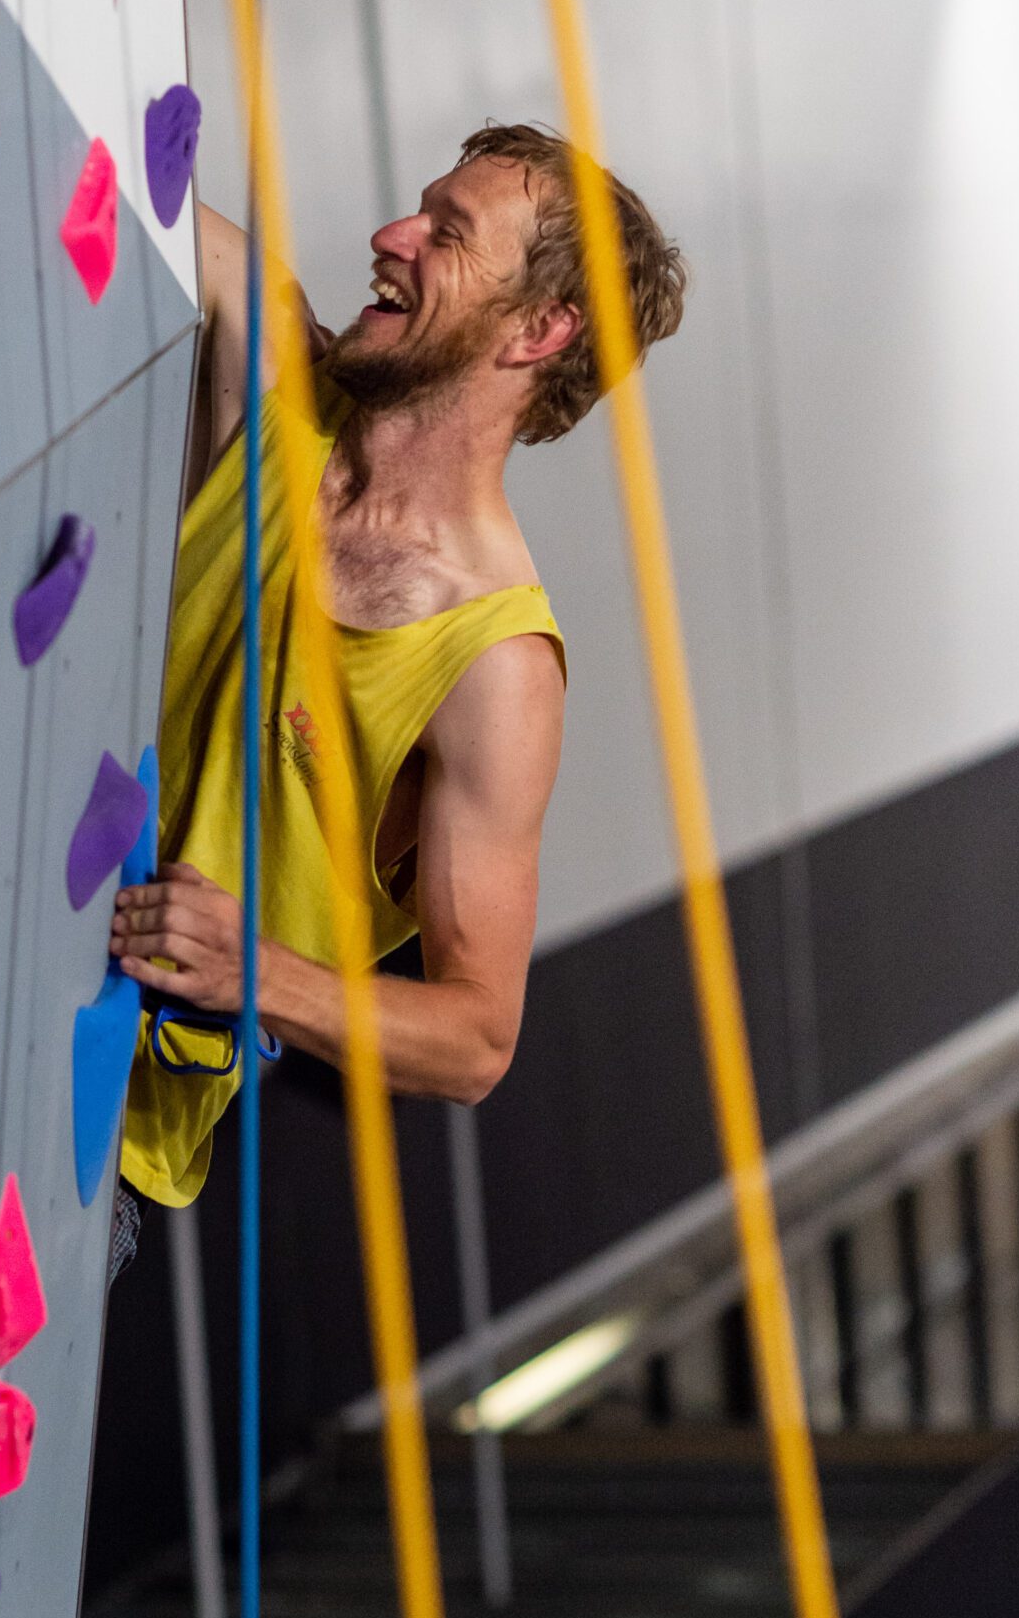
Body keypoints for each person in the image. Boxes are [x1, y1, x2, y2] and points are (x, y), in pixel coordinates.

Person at [109, 121, 685, 1223]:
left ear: (543, 328)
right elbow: (118, 170)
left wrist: (257, 971)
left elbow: (477, 1038)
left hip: (99, 1127)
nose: (391, 234)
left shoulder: (494, 666)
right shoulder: (277, 379)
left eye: (446, 233)